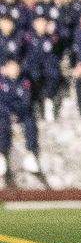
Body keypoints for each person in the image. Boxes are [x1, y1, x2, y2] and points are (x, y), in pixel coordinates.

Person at [0, 58, 44, 188]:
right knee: (2, 124)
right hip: (5, 114)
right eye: (12, 67)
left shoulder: (24, 82)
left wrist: (16, 113)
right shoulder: (2, 83)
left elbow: (26, 101)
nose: (15, 70)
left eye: (16, 66)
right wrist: (9, 113)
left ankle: (31, 154)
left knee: (30, 122)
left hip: (20, 113)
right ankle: (2, 155)